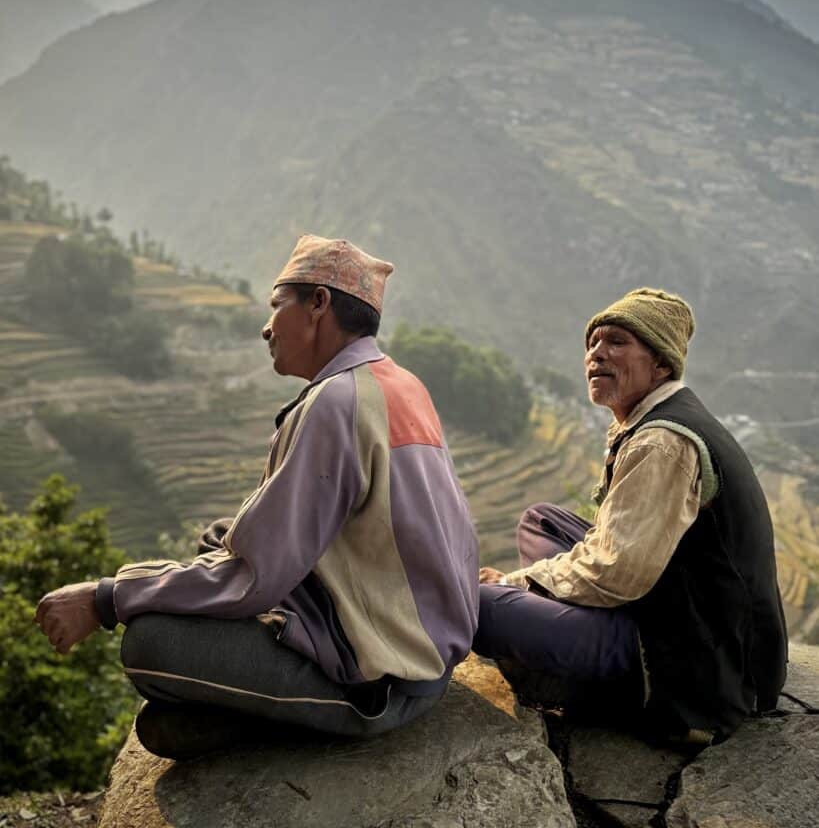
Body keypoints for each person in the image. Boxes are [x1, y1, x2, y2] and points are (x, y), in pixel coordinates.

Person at [36, 234, 479, 759]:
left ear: (319, 304)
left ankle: (293, 712)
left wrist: (105, 598)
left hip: (384, 677)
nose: (267, 327)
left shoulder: (336, 405)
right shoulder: (398, 383)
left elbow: (253, 577)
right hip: (420, 643)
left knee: (148, 645)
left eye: (278, 305)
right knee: (220, 537)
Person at [475, 288, 787, 746]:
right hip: (675, 606)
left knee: (477, 604)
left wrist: (517, 582)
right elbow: (618, 555)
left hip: (694, 666)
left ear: (661, 363)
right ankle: (562, 637)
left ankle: (584, 681)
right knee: (542, 520)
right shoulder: (652, 419)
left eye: (617, 342)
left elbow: (616, 575)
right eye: (593, 343)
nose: (596, 354)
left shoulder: (661, 442)